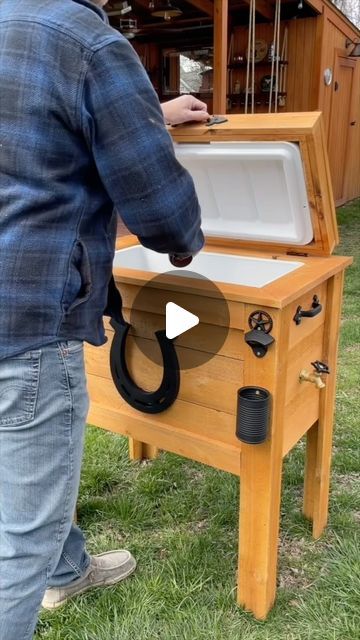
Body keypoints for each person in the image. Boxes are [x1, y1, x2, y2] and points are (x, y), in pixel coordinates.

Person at [0, 0, 210, 637]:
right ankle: (47, 568)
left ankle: (67, 572)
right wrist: (183, 241)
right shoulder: (87, 41)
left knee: (20, 460)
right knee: (19, 545)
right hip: (31, 318)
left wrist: (153, 117)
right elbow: (156, 201)